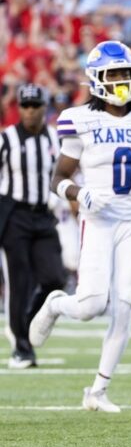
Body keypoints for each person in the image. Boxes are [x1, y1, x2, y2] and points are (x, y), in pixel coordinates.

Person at [29, 41, 131, 412]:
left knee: (126, 303)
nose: (119, 81)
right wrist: (80, 195)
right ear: (97, 79)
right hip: (97, 220)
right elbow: (58, 179)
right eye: (112, 74)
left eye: (124, 73)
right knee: (91, 306)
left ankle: (97, 391)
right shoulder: (80, 119)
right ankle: (55, 305)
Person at [0, 84, 66, 368]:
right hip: (14, 214)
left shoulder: (56, 137)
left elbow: (67, 172)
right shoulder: (7, 139)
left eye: (34, 105)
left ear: (44, 107)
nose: (29, 111)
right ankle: (22, 347)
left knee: (55, 279)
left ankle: (25, 324)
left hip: (44, 214)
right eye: (24, 106)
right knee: (20, 281)